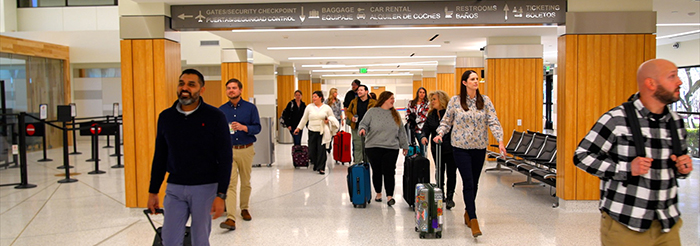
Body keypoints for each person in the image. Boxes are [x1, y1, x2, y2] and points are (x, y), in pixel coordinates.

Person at [573, 59, 693, 246]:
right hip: (626, 223)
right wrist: (626, 169)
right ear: (651, 83)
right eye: (672, 76)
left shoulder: (676, 122)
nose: (679, 82)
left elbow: (677, 163)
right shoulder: (616, 119)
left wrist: (683, 168)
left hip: (667, 223)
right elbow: (582, 156)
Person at [147, 69, 232, 246]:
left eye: (191, 84)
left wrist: (221, 194)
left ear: (201, 90)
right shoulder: (166, 117)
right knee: (169, 239)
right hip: (175, 187)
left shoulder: (215, 116)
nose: (185, 88)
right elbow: (160, 155)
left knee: (200, 240)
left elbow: (225, 157)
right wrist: (153, 190)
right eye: (181, 84)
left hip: (205, 187)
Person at [433, 70, 506, 238]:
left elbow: (493, 121)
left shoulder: (485, 101)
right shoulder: (455, 101)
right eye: (472, 79)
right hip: (460, 148)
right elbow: (447, 121)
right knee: (468, 182)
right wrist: (440, 133)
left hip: (479, 148)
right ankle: (473, 219)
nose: (476, 82)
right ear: (464, 82)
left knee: (475, 182)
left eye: (477, 79)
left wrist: (500, 140)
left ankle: (467, 211)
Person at [218, 78, 261, 231]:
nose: (231, 90)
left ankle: (244, 208)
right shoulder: (221, 110)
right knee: (230, 183)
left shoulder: (250, 108)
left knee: (246, 182)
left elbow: (257, 128)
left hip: (246, 149)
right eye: (228, 88)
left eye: (234, 88)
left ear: (240, 90)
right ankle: (230, 217)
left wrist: (244, 127)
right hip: (228, 151)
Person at [358, 91, 409, 206]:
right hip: (373, 146)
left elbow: (401, 131)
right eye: (391, 98)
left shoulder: (395, 114)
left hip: (391, 147)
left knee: (390, 171)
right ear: (384, 99)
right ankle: (378, 193)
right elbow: (363, 124)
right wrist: (363, 130)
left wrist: (405, 145)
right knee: (377, 171)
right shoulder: (372, 112)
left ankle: (390, 196)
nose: (393, 100)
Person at [420, 90, 457, 210]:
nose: (432, 102)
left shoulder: (450, 113)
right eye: (431, 100)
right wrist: (424, 136)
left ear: (441, 100)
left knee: (451, 172)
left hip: (451, 148)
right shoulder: (432, 115)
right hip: (437, 148)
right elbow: (425, 128)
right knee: (439, 171)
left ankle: (450, 196)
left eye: (434, 99)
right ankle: (441, 194)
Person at [295, 91, 338, 174]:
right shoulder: (309, 107)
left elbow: (332, 117)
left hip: (322, 131)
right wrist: (298, 128)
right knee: (312, 150)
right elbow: (304, 118)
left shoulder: (326, 108)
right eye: (313, 97)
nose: (313, 98)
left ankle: (321, 167)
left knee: (321, 149)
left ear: (320, 98)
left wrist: (328, 121)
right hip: (312, 131)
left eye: (315, 97)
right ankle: (315, 164)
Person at [345, 85, 376, 164]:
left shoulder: (373, 102)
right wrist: (351, 117)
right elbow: (348, 111)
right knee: (357, 145)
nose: (359, 91)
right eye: (358, 90)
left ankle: (367, 162)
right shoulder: (354, 102)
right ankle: (358, 163)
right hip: (356, 127)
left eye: (361, 90)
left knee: (368, 145)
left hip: (369, 128)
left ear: (366, 91)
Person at [406, 87, 429, 156]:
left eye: (423, 92)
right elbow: (407, 113)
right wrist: (410, 120)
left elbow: (424, 116)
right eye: (420, 92)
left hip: (422, 129)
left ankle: (423, 162)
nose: (422, 94)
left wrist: (415, 120)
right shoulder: (411, 103)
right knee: (412, 146)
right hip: (412, 129)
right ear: (417, 93)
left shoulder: (427, 104)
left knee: (423, 148)